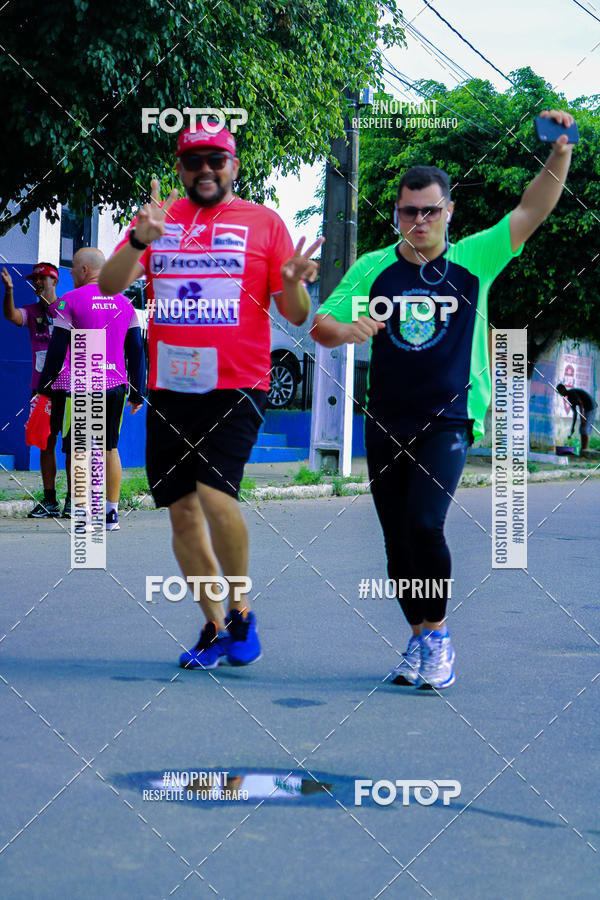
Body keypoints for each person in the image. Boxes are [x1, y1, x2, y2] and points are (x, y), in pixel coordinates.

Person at [312, 109, 576, 690]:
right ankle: (418, 637)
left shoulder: (474, 260)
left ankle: (439, 637)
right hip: (385, 420)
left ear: (448, 211)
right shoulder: (373, 269)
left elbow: (531, 210)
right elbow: (322, 326)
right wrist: (346, 330)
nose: (420, 221)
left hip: (450, 420)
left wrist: (558, 154)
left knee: (425, 524)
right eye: (410, 211)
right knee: (394, 542)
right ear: (398, 213)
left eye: (431, 210)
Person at [98, 124, 320, 668]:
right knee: (181, 514)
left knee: (217, 496)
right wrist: (138, 240)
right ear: (180, 168)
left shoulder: (264, 224)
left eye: (216, 160)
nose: (205, 169)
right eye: (194, 160)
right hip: (171, 389)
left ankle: (241, 609)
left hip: (238, 384)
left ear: (234, 166)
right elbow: (107, 285)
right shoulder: (156, 220)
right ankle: (215, 625)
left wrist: (293, 281)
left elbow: (295, 315)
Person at [36, 248, 146, 531]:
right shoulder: (125, 303)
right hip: (115, 385)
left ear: (85, 270)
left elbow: (58, 348)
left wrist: (44, 385)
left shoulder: (69, 300)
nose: (70, 273)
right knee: (110, 448)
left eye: (73, 268)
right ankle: (110, 514)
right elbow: (136, 351)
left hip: (83, 385)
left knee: (80, 450)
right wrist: (138, 391)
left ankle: (83, 515)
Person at [1, 262, 72, 517]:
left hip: (69, 387)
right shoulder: (32, 312)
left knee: (72, 445)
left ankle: (72, 502)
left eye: (42, 279)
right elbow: (12, 316)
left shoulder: (67, 308)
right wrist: (9, 291)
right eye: (34, 280)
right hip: (41, 389)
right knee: (45, 443)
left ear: (54, 280)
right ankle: (50, 500)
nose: (37, 283)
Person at [556, 382, 597, 453]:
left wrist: (582, 419)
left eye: (560, 391)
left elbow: (580, 404)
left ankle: (584, 450)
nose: (560, 394)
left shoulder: (572, 393)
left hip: (591, 406)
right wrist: (573, 427)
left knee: (584, 429)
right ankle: (583, 449)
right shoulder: (569, 399)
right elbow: (575, 413)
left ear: (563, 389)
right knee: (582, 429)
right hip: (587, 408)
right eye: (559, 392)